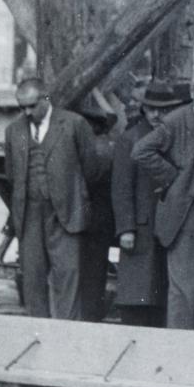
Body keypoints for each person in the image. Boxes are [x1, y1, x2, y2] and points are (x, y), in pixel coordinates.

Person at [133, 69, 194, 329]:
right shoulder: (176, 121)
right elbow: (141, 151)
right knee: (182, 289)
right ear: (191, 94)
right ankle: (179, 347)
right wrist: (172, 177)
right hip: (184, 216)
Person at [3, 76, 100, 320]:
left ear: (46, 99)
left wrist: (70, 194)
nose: (26, 112)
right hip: (30, 215)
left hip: (65, 213)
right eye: (21, 107)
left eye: (32, 106)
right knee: (33, 279)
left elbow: (92, 169)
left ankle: (67, 338)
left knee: (68, 276)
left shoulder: (74, 124)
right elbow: (11, 174)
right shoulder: (13, 131)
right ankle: (39, 336)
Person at [112, 79, 178, 327]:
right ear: (143, 109)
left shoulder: (173, 135)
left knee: (160, 289)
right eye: (151, 109)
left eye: (162, 109)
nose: (156, 114)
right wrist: (125, 228)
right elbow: (121, 188)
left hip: (167, 223)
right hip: (140, 227)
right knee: (137, 290)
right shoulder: (130, 139)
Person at [76, 101, 119, 323]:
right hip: (102, 218)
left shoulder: (96, 149)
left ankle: (88, 317)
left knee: (90, 272)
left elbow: (87, 182)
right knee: (95, 271)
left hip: (92, 220)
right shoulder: (107, 145)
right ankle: (91, 314)